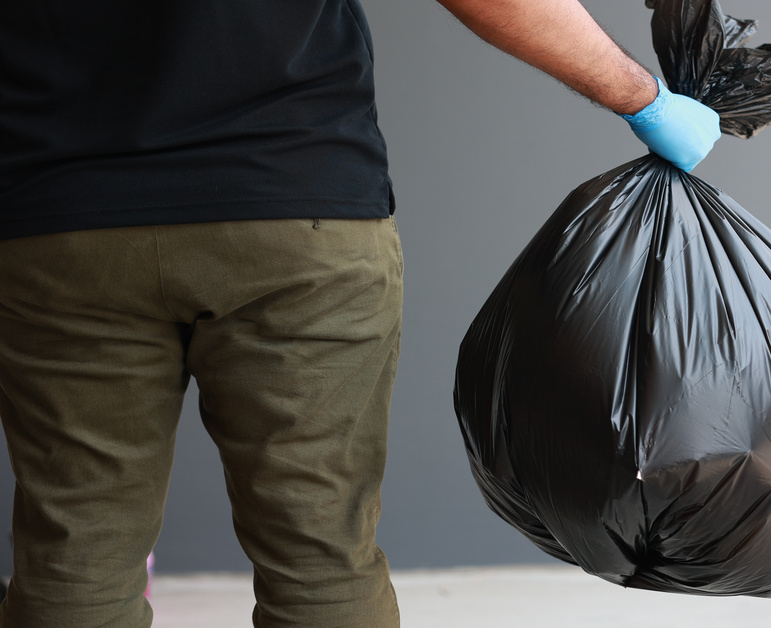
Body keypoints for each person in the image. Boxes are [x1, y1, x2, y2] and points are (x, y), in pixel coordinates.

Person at [0, 0, 718, 626]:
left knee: (78, 551)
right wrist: (643, 99)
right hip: (296, 211)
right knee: (320, 551)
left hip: (60, 222)